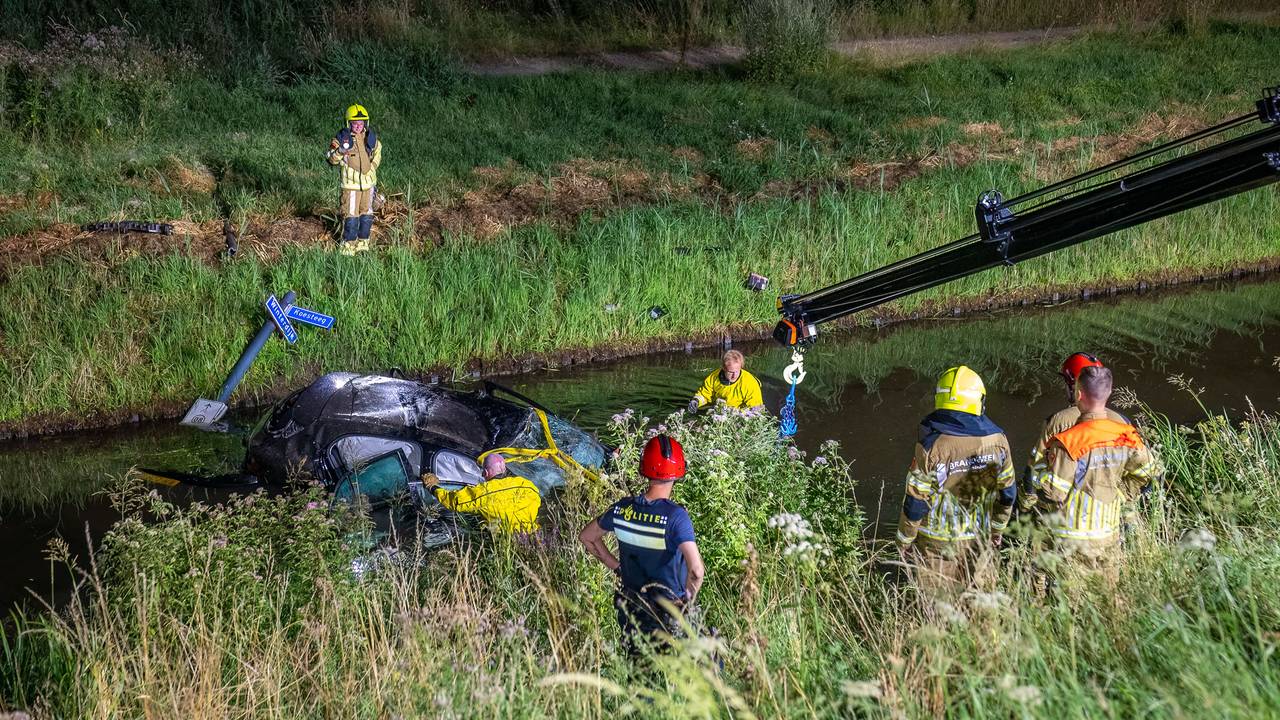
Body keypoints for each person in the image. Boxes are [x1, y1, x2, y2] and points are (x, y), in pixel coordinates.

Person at [1024, 366, 1162, 583]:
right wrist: (1121, 493)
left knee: (1074, 604)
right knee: (1106, 597)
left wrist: (1041, 472)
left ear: (1078, 394)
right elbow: (1149, 472)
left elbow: (1053, 493)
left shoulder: (1069, 441)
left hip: (1074, 539)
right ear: (1109, 393)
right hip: (1110, 535)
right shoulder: (1127, 436)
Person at [579, 435, 705, 655]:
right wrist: (687, 602)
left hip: (632, 607)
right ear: (679, 471)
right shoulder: (676, 517)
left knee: (639, 673)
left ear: (644, 468)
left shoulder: (621, 510)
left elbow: (587, 538)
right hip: (669, 611)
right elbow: (696, 571)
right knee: (691, 670)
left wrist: (616, 567)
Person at [895, 365, 1017, 594]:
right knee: (980, 604)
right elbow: (1008, 494)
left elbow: (915, 504)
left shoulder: (931, 445)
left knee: (937, 610)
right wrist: (997, 531)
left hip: (936, 544)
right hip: (979, 539)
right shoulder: (999, 440)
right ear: (979, 401)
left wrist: (904, 542)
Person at [1020, 353, 1130, 514]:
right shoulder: (1123, 421)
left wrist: (1024, 508)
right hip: (1109, 512)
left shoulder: (1058, 420)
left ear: (1074, 386)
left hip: (1066, 513)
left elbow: (1033, 469)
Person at [425, 454, 541, 533]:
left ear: (485, 473)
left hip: (506, 541)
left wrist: (432, 487)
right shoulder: (528, 485)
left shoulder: (484, 492)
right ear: (504, 469)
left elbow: (455, 501)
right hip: (535, 535)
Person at [326, 103, 382, 255]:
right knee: (351, 215)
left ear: (366, 123)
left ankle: (363, 242)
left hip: (368, 185)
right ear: (348, 123)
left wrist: (373, 167)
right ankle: (348, 245)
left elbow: (378, 151)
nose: (358, 126)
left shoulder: (370, 138)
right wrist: (340, 151)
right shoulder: (340, 139)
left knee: (367, 214)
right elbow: (331, 159)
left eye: (361, 122)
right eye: (355, 123)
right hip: (351, 186)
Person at [688, 349, 764, 413]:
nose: (734, 376)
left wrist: (739, 414)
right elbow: (704, 394)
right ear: (724, 368)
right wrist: (696, 401)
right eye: (731, 372)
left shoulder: (749, 383)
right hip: (720, 409)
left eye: (737, 371)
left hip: (740, 413)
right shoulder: (713, 377)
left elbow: (755, 408)